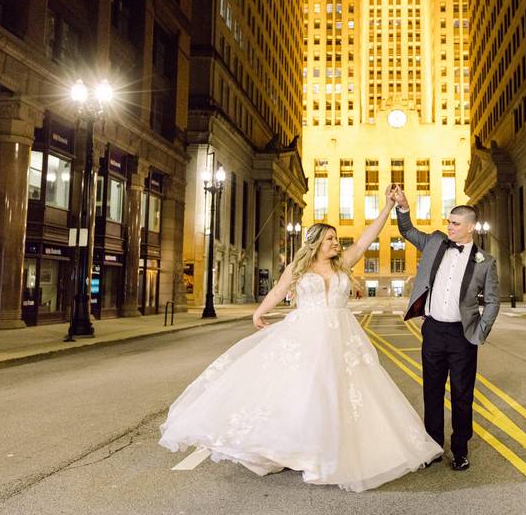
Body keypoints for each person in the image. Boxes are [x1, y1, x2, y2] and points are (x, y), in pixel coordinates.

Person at [159, 185, 441, 492]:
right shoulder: (299, 267)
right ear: (318, 243)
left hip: (341, 337)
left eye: (336, 238)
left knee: (340, 392)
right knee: (303, 392)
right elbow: (279, 291)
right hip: (304, 335)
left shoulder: (343, 263)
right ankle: (297, 447)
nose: (336, 242)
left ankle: (327, 452)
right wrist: (259, 312)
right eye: (331, 238)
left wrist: (388, 207)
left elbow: (365, 238)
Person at [391, 187, 500, 471]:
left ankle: (460, 449)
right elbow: (407, 230)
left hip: (463, 336)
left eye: (455, 223)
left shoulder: (484, 262)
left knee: (462, 394)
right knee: (432, 391)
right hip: (434, 332)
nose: (449, 227)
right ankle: (433, 447)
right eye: (449, 222)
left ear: (470, 227)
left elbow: (492, 300)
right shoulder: (436, 242)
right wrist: (403, 206)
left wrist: (480, 331)